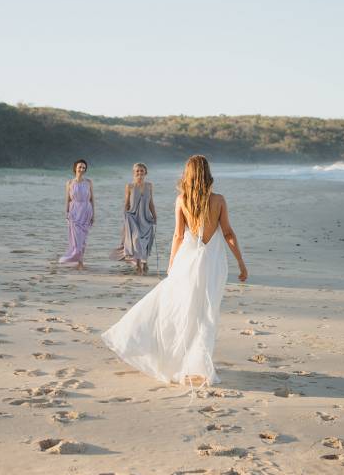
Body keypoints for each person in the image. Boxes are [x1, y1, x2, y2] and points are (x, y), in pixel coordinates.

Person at [101, 155, 247, 393]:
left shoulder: (182, 201)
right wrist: (241, 262)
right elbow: (228, 233)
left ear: (188, 175)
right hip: (214, 264)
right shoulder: (219, 201)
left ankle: (179, 360)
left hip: (187, 261)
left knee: (181, 310)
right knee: (207, 314)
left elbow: (178, 236)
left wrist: (171, 265)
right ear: (207, 174)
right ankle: (199, 366)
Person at [109, 163, 157, 276]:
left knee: (145, 242)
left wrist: (155, 217)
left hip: (145, 218)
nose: (139, 173)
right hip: (133, 218)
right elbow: (127, 203)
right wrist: (124, 215)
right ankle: (139, 266)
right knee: (136, 241)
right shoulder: (129, 186)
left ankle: (145, 263)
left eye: (141, 171)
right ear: (134, 173)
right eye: (137, 171)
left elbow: (151, 203)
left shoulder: (150, 186)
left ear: (145, 172)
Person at [59, 159, 94, 271]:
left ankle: (80, 260)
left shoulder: (89, 182)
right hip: (74, 212)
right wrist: (66, 212)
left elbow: (92, 199)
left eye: (84, 168)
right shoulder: (70, 183)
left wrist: (93, 214)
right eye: (80, 167)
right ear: (75, 168)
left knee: (83, 239)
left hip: (86, 211)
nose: (82, 170)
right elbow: (68, 200)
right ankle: (80, 264)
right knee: (77, 239)